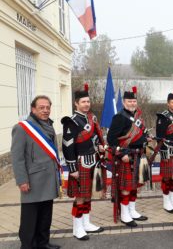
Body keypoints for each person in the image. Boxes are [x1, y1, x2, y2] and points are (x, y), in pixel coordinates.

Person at [11, 95, 61, 249]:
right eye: (41, 107)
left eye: (47, 107)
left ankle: (43, 242)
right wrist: (22, 180)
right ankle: (28, 245)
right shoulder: (22, 127)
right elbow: (17, 157)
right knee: (30, 217)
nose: (45, 110)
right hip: (32, 180)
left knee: (46, 215)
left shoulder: (49, 125)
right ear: (33, 109)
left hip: (48, 178)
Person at [61, 84, 105, 240]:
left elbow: (93, 139)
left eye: (88, 101)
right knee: (80, 197)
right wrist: (72, 168)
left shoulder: (91, 118)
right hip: (80, 163)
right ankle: (77, 227)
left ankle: (86, 223)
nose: (86, 104)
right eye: (83, 102)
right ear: (76, 103)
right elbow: (67, 147)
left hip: (93, 161)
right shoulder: (70, 121)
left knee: (88, 195)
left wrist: (99, 146)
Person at [107, 87, 149, 227]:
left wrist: (145, 138)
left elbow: (140, 134)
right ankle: (125, 215)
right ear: (124, 102)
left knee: (134, 185)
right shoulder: (119, 117)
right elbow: (111, 139)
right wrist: (122, 154)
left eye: (134, 101)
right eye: (129, 101)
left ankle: (132, 210)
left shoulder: (137, 116)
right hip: (126, 157)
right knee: (126, 187)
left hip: (138, 154)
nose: (132, 103)